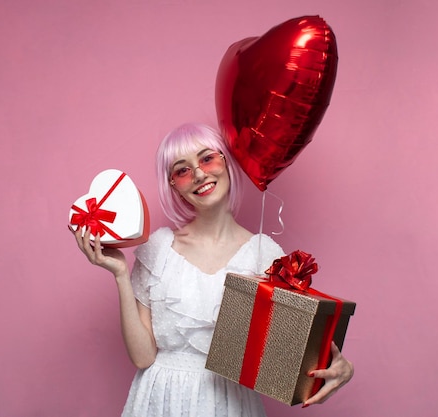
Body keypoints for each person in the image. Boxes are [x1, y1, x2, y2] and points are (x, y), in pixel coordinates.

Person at [70, 123, 353, 416]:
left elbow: (297, 354)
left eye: (207, 158)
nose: (200, 174)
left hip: (230, 404)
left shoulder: (265, 255)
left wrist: (341, 367)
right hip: (160, 401)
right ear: (173, 186)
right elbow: (143, 358)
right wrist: (119, 274)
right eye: (182, 170)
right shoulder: (158, 249)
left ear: (227, 161)